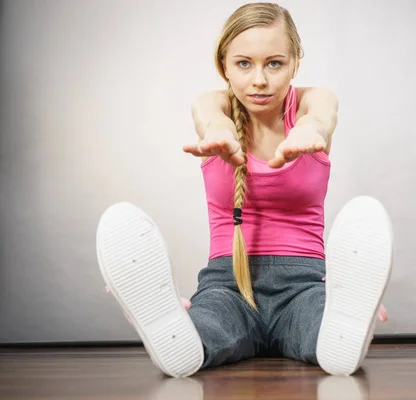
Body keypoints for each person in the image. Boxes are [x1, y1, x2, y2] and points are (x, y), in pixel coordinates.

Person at [96, 2, 393, 378]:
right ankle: (171, 328)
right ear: (224, 65)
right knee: (205, 332)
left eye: (274, 63)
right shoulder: (212, 104)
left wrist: (309, 129)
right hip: (228, 285)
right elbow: (211, 117)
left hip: (303, 286)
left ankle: (346, 321)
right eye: (243, 64)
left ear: (294, 63)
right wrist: (219, 133)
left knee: (322, 332)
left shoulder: (314, 100)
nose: (259, 80)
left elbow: (321, 114)